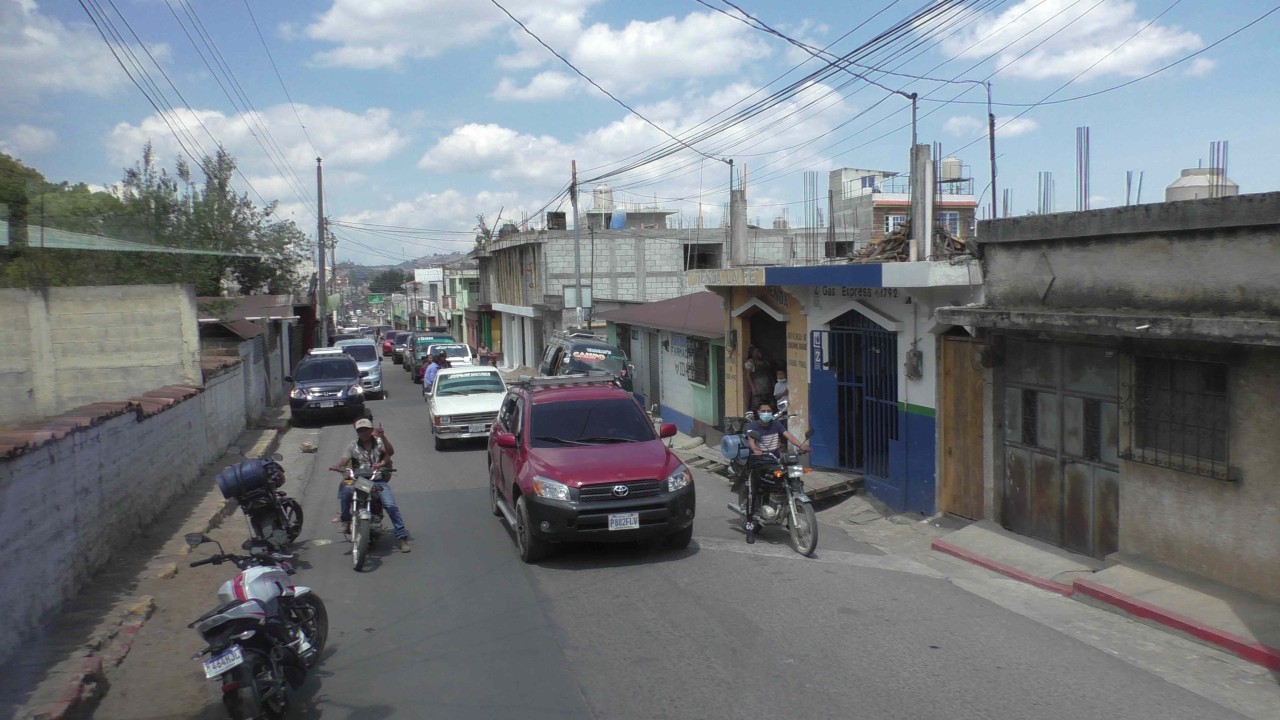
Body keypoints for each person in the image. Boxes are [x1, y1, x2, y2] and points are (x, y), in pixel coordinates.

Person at [329, 418, 411, 553]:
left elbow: (390, 452)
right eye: (360, 430)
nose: (363, 433)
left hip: (377, 480)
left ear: (371, 430)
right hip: (359, 481)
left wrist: (383, 437)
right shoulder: (352, 445)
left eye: (366, 430)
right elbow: (344, 460)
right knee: (346, 490)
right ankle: (346, 519)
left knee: (390, 506)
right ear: (357, 432)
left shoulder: (379, 442)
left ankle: (402, 538)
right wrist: (340, 467)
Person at [742, 402, 809, 544]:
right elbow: (752, 441)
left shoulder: (776, 425)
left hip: (774, 461)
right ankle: (749, 526)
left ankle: (790, 517)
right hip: (758, 462)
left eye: (768, 410)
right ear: (758, 412)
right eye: (763, 411)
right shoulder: (753, 426)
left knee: (789, 480)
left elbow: (788, 436)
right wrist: (755, 450)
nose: (766, 413)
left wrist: (801, 445)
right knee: (752, 493)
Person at [743, 346, 775, 412]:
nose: (759, 353)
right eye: (756, 352)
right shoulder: (750, 363)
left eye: (759, 352)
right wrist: (753, 388)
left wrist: (773, 384)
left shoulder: (764, 363)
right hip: (758, 388)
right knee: (757, 405)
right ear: (752, 354)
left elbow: (769, 375)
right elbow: (748, 376)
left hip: (768, 388)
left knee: (770, 405)